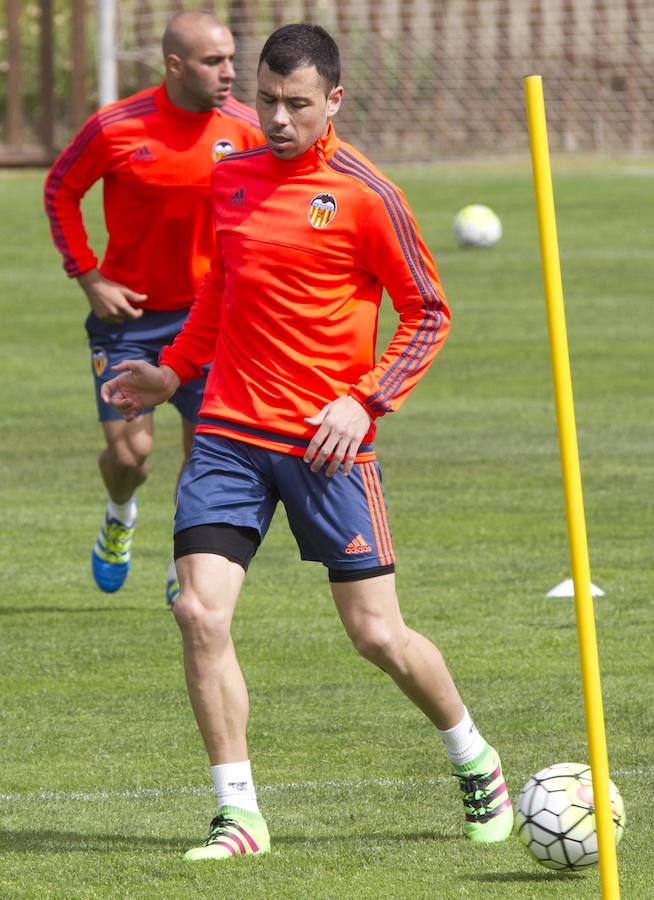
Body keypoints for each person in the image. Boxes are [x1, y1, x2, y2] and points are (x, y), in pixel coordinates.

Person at [102, 23, 513, 861]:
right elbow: (222, 288)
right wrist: (170, 369)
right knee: (198, 613)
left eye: (297, 104)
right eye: (266, 100)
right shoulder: (234, 179)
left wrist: (366, 403)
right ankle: (239, 814)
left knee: (377, 637)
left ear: (334, 101)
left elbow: (429, 311)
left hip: (327, 449)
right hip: (225, 434)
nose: (279, 119)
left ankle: (474, 758)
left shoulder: (367, 193)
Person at [44, 11, 263, 605]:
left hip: (209, 321)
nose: (230, 73)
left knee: (207, 454)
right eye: (213, 62)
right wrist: (88, 276)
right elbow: (61, 188)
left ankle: (182, 564)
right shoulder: (115, 127)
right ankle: (119, 514)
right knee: (130, 452)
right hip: (129, 321)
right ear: (174, 65)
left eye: (231, 59)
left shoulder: (246, 128)